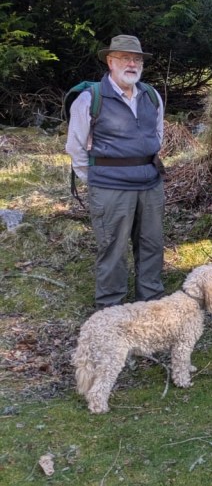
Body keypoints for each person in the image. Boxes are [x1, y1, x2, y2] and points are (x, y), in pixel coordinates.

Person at [66, 35, 166, 308]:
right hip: (110, 189)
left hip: (150, 185)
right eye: (125, 58)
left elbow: (157, 135)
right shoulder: (90, 99)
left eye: (137, 59)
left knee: (152, 245)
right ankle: (111, 311)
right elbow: (75, 147)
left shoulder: (152, 96)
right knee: (113, 248)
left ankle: (151, 306)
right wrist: (97, 180)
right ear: (110, 62)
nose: (132, 64)